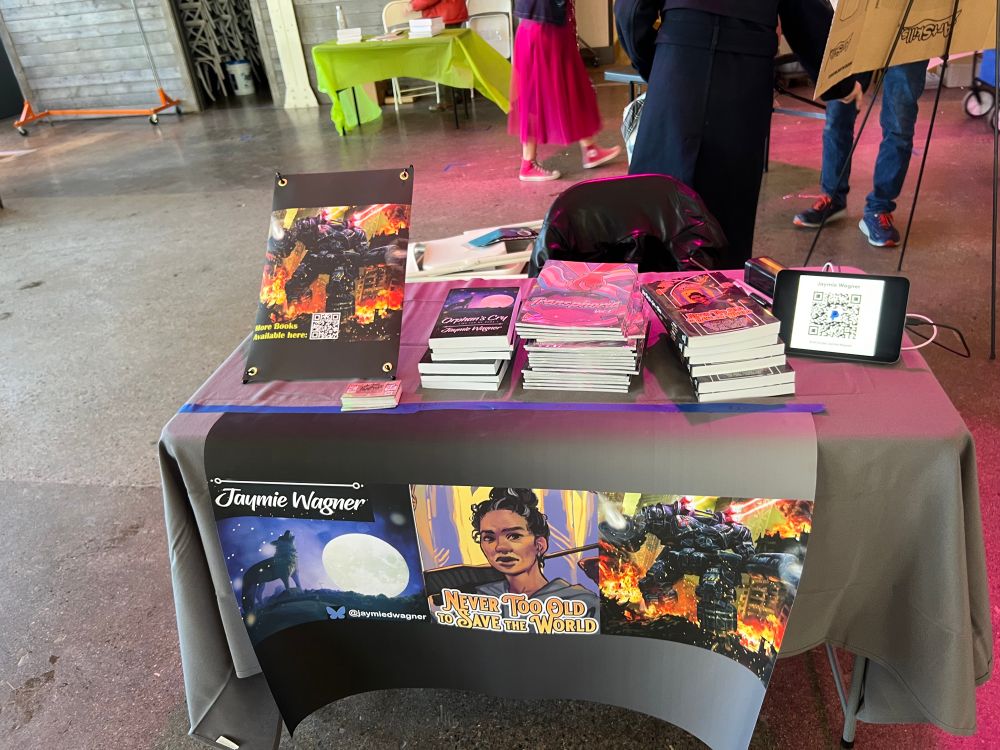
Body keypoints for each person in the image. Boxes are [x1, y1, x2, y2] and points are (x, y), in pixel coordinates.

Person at [616, 0, 858, 268]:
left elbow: (631, 10)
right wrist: (840, 84)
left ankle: (648, 286)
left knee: (655, 207)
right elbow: (806, 15)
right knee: (726, 217)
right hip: (744, 76)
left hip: (678, 64)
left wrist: (659, 60)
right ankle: (719, 291)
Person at [793, 61, 927, 248]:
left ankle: (879, 208)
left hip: (908, 45)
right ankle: (833, 197)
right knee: (837, 114)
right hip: (859, 42)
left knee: (899, 125)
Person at [509, 0, 621, 182]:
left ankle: (590, 149)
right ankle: (527, 163)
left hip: (553, 27)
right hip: (543, 28)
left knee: (574, 87)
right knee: (536, 95)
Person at [471, 487, 599, 617]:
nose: (500, 547)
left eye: (514, 536)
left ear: (539, 545)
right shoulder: (479, 597)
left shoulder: (582, 603)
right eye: (489, 538)